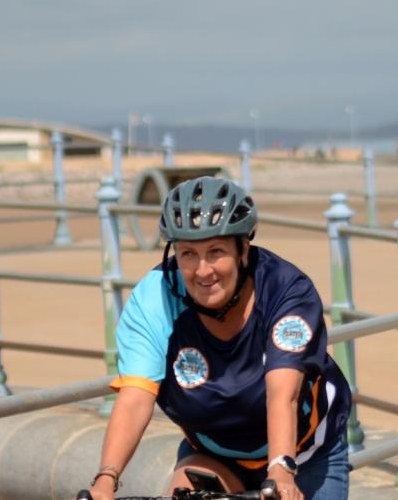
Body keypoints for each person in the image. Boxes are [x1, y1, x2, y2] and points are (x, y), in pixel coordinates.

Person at [88, 177, 351, 500]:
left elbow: (283, 396)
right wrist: (105, 480)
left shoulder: (286, 290)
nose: (202, 271)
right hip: (214, 453)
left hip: (303, 450)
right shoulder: (154, 299)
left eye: (216, 251)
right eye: (187, 253)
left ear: (243, 249)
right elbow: (134, 398)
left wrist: (281, 468)